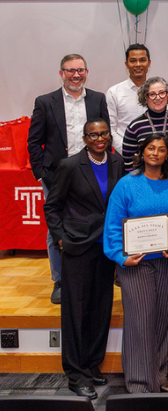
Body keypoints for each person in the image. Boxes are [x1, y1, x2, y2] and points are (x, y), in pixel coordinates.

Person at [44, 119, 124, 399]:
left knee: (101, 309)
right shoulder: (69, 165)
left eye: (103, 133)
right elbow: (52, 205)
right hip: (78, 246)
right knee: (76, 311)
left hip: (107, 246)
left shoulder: (117, 162)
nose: (99, 138)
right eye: (93, 134)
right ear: (85, 137)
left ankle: (91, 365)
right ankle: (76, 374)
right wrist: (61, 237)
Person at [103, 133, 168, 393]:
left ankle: (158, 374)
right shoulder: (126, 185)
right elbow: (113, 226)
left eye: (161, 149)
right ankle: (140, 383)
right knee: (140, 321)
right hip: (134, 263)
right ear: (142, 152)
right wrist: (121, 257)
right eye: (151, 148)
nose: (155, 153)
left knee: (163, 318)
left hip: (166, 260)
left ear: (167, 155)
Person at [27, 53, 109, 303]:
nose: (76, 75)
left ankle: (93, 274)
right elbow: (34, 142)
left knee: (95, 223)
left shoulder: (97, 99)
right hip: (56, 176)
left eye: (80, 70)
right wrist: (42, 173)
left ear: (87, 72)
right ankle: (60, 280)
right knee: (56, 229)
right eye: (71, 70)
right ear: (61, 73)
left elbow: (105, 136)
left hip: (92, 171)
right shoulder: (45, 102)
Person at [120, 77, 168, 171]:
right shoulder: (135, 126)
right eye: (152, 94)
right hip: (144, 180)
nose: (158, 97)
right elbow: (128, 161)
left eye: (162, 93)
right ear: (145, 98)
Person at [106, 44, 152, 151]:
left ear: (149, 63)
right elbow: (110, 129)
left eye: (142, 60)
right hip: (124, 154)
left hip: (155, 154)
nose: (138, 64)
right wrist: (127, 150)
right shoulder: (114, 92)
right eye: (133, 61)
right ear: (126, 64)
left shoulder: (159, 92)